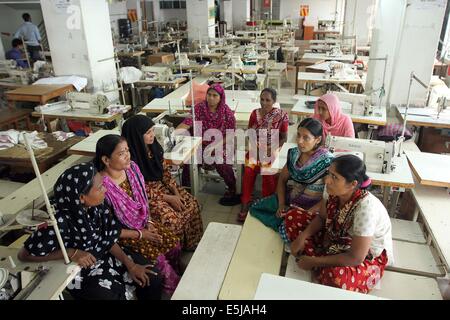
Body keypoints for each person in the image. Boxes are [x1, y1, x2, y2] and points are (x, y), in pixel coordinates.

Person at [18, 163, 163, 300]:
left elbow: (108, 238)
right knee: (111, 296)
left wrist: (130, 265)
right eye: (100, 187)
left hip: (105, 256)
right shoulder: (58, 222)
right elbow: (24, 255)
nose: (105, 190)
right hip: (78, 270)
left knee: (153, 277)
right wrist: (71, 253)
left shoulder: (97, 207)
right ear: (81, 197)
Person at [288, 155, 393, 293]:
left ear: (352, 184)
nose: (327, 180)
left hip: (365, 254)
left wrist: (314, 261)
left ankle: (317, 261)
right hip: (337, 237)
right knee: (292, 217)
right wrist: (303, 236)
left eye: (335, 177)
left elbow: (356, 258)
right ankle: (319, 260)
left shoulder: (366, 208)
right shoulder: (331, 189)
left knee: (338, 278)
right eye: (329, 174)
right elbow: (322, 218)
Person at [94, 134, 182, 295]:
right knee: (160, 262)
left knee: (174, 244)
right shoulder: (101, 187)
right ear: (106, 160)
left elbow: (142, 200)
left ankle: (174, 277)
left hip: (144, 224)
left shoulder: (132, 169)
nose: (127, 156)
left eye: (127, 150)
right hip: (125, 236)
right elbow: (108, 229)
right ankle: (176, 290)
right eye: (121, 153)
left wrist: (149, 221)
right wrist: (142, 234)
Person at [122, 115, 203, 251]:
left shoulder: (154, 148)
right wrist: (170, 198)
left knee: (191, 204)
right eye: (148, 133)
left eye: (153, 130)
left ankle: (191, 244)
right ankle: (176, 250)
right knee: (171, 219)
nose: (152, 135)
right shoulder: (130, 160)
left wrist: (176, 192)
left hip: (163, 186)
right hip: (147, 196)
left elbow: (165, 173)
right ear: (136, 136)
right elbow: (139, 189)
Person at [250, 118, 333, 234]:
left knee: (288, 229)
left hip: (311, 208)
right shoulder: (294, 154)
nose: (299, 141)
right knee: (256, 207)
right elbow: (282, 180)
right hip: (291, 201)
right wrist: (282, 204)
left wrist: (304, 213)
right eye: (298, 135)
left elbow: (329, 198)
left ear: (318, 139)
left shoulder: (327, 163)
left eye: (306, 137)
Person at [176, 83, 240, 206]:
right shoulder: (198, 108)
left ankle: (233, 189)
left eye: (214, 95)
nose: (211, 98)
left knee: (222, 162)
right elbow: (187, 123)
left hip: (221, 144)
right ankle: (186, 192)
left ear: (221, 97)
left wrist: (214, 146)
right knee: (189, 163)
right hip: (200, 143)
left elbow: (231, 134)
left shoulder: (227, 113)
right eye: (209, 95)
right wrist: (176, 134)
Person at [238, 88, 289, 222]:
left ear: (274, 101)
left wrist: (270, 148)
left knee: (267, 174)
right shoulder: (254, 114)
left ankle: (266, 203)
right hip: (255, 150)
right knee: (248, 172)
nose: (264, 103)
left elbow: (284, 138)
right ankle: (246, 203)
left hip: (271, 150)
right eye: (262, 99)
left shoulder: (281, 115)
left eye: (268, 100)